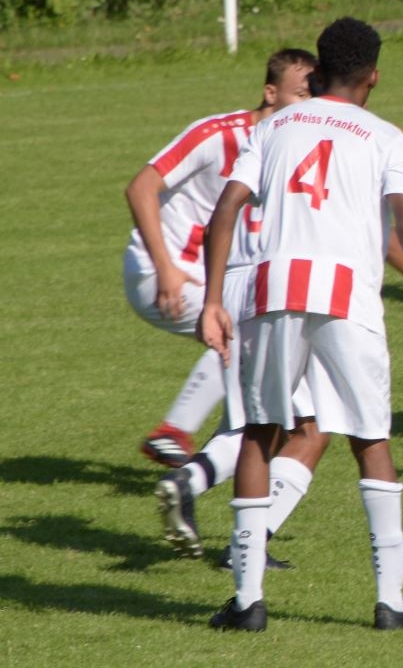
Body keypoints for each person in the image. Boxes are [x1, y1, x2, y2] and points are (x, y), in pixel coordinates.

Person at [198, 17, 403, 633]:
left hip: (273, 288)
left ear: (317, 71)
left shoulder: (273, 126)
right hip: (348, 296)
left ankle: (247, 602)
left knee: (259, 433)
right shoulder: (385, 136)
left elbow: (226, 210)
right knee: (370, 439)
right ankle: (391, 602)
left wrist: (214, 299)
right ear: (374, 76)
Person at [124, 49, 316, 467]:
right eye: (301, 95)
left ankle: (204, 469)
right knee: (246, 336)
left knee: (257, 368)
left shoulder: (290, 148)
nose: (308, 106)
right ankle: (174, 431)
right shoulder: (218, 134)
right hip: (162, 269)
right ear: (270, 93)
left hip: (212, 276)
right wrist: (166, 269)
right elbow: (140, 188)